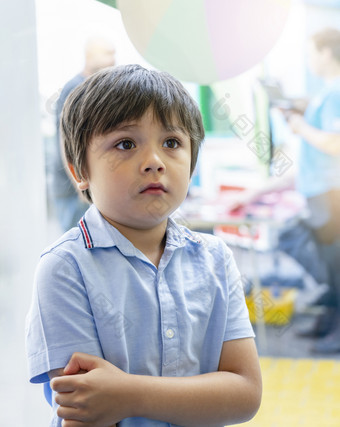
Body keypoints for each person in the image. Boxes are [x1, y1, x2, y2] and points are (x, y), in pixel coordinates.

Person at [26, 64, 262, 427]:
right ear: (79, 171)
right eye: (125, 143)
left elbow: (245, 394)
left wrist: (127, 394)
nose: (154, 162)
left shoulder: (215, 258)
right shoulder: (65, 268)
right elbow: (86, 410)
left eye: (172, 143)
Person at [228, 28, 340, 353]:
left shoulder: (334, 93)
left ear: (325, 53)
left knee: (333, 266)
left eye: (310, 52)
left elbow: (334, 143)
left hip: (329, 197)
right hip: (320, 194)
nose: (308, 59)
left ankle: (335, 331)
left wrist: (299, 127)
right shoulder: (323, 95)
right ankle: (328, 322)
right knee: (324, 261)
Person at [51, 36, 116, 231]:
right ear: (89, 56)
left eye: (113, 54)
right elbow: (66, 141)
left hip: (90, 185)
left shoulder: (98, 87)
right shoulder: (76, 88)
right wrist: (79, 181)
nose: (113, 59)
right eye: (107, 54)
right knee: (78, 249)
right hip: (73, 190)